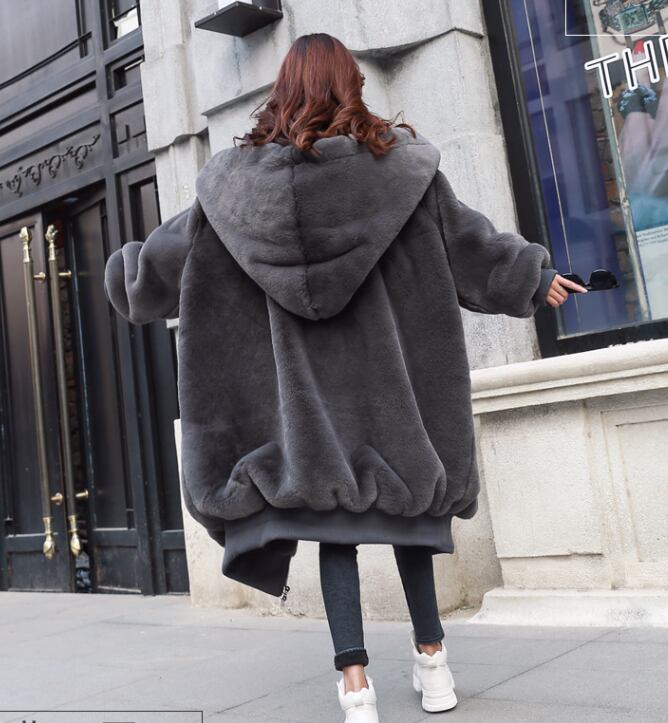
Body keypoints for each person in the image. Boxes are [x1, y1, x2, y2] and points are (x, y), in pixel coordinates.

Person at [104, 32, 586, 723]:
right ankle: (433, 663)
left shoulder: (229, 192)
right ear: (350, 86)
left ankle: (356, 687)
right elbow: (473, 248)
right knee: (410, 521)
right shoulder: (404, 173)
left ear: (282, 92)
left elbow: (154, 269)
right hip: (391, 403)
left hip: (304, 419)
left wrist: (120, 273)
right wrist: (534, 278)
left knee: (335, 534)